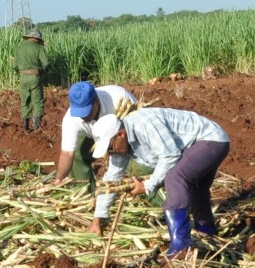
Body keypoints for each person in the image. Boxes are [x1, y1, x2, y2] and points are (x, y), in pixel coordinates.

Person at [90, 107, 230, 257]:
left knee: (174, 178)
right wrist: (98, 217)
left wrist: (147, 186)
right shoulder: (120, 146)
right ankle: (207, 234)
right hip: (201, 145)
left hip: (210, 139)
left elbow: (170, 155)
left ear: (120, 134)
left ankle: (181, 247)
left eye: (110, 148)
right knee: (196, 188)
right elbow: (112, 177)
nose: (110, 153)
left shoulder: (143, 124)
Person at [54, 79, 139, 233]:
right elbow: (67, 153)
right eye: (78, 113)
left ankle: (137, 194)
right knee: (78, 155)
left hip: (123, 130)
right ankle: (85, 196)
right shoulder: (73, 119)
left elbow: (137, 132)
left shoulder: (119, 99)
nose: (82, 118)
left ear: (96, 102)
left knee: (136, 164)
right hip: (93, 134)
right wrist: (58, 180)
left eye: (86, 112)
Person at [15, 28, 48, 132]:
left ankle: (25, 127)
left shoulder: (19, 48)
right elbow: (46, 64)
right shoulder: (39, 48)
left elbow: (14, 66)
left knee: (25, 102)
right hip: (35, 77)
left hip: (23, 77)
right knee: (37, 101)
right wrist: (42, 72)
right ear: (37, 39)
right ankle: (37, 127)